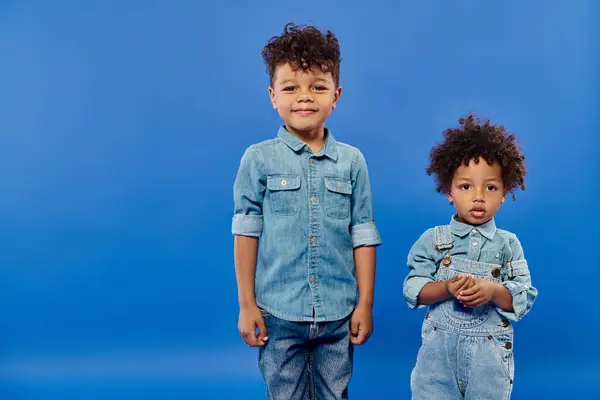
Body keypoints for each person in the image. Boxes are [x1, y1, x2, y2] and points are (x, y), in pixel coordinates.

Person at [232, 22, 381, 400]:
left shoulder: (352, 162)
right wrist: (247, 304)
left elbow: (362, 234)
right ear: (272, 96)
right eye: (291, 87)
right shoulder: (258, 159)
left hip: (337, 313)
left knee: (335, 394)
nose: (304, 97)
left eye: (317, 86)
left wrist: (364, 304)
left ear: (336, 94)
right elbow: (246, 231)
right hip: (279, 313)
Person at [403, 114, 538, 399]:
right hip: (437, 363)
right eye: (466, 186)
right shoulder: (434, 241)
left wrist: (492, 290)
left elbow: (523, 298)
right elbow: (413, 289)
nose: (478, 197)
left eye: (490, 187)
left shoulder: (508, 245)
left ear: (504, 193)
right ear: (448, 191)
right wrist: (446, 288)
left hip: (487, 364)